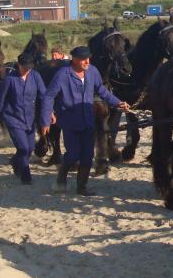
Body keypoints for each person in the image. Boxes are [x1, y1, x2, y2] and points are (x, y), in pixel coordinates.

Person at [40, 45, 130, 195]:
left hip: (88, 120)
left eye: (88, 58)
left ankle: (82, 187)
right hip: (70, 121)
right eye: (83, 59)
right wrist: (45, 120)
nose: (87, 61)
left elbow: (101, 90)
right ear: (74, 59)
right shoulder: (63, 74)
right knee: (73, 154)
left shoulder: (93, 71)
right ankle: (61, 177)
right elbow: (48, 96)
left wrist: (118, 102)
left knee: (87, 156)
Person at [0, 52, 46, 184]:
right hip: (13, 117)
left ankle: (15, 162)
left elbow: (44, 96)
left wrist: (50, 112)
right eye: (25, 66)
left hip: (30, 118)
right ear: (19, 65)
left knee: (30, 147)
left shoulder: (35, 76)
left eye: (29, 67)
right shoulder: (10, 79)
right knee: (23, 148)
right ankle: (26, 177)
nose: (27, 69)